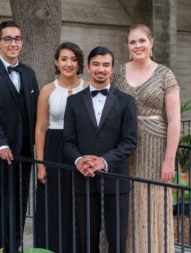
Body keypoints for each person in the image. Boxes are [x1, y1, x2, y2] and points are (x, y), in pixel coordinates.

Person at [112, 24, 180, 253]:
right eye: (133, 42)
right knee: (125, 200)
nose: (138, 46)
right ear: (127, 46)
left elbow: (174, 120)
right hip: (123, 147)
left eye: (142, 41)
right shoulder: (118, 72)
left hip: (155, 148)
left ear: (151, 43)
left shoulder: (165, 74)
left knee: (152, 201)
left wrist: (169, 159)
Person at [64, 46, 137, 253]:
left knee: (117, 239)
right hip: (83, 180)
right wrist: (80, 161)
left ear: (112, 69)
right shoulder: (74, 102)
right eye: (96, 64)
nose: (100, 69)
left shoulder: (126, 102)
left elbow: (129, 141)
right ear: (88, 67)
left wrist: (102, 161)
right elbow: (68, 142)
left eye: (106, 65)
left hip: (115, 179)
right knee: (87, 239)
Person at [0, 21, 39, 252]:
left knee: (20, 202)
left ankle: (16, 246)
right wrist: (0, 144)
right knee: (2, 204)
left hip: (24, 152)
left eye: (17, 39)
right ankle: (0, 248)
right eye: (8, 39)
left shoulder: (29, 74)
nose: (13, 43)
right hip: (0, 153)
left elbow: (35, 112)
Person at [34, 42, 88, 253]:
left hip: (81, 150)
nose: (68, 64)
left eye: (73, 59)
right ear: (56, 62)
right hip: (54, 151)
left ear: (79, 63)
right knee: (54, 204)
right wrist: (40, 164)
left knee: (80, 204)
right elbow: (40, 129)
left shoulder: (88, 88)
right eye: (64, 59)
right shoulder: (48, 90)